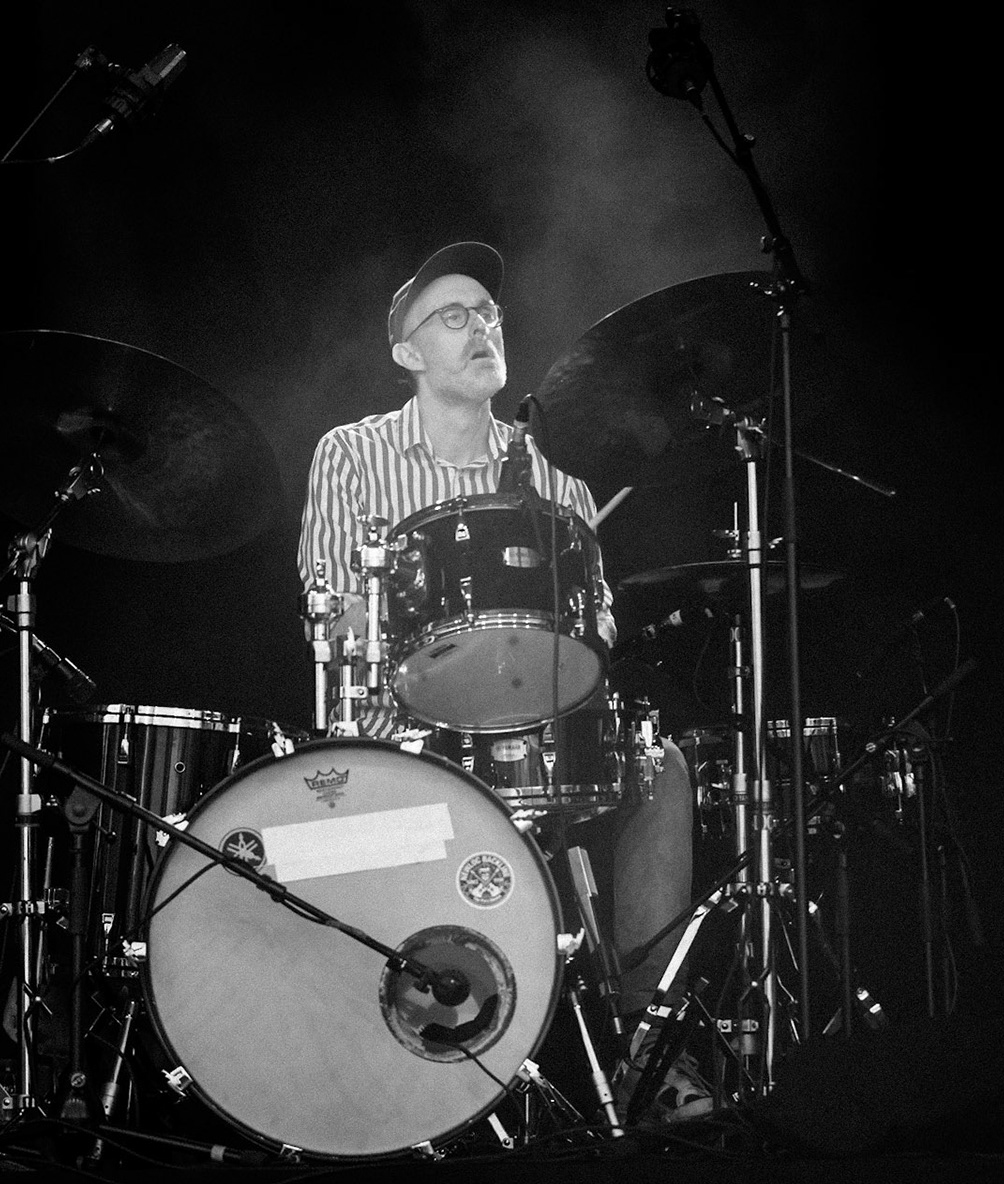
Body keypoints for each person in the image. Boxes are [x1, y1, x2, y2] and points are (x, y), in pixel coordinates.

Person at [297, 242, 708, 1122]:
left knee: (663, 769)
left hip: (532, 733)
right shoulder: (354, 455)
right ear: (407, 354)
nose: (481, 326)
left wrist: (587, 630)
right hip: (397, 732)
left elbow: (594, 619)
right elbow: (326, 607)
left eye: (488, 313)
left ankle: (649, 1053)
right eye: (454, 316)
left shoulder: (550, 476)